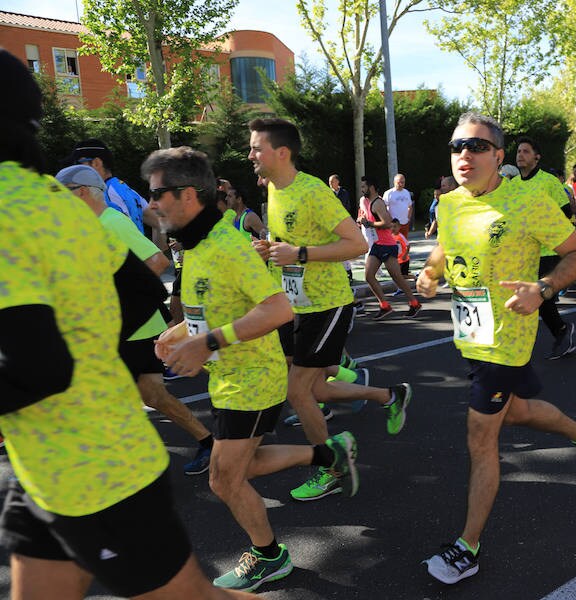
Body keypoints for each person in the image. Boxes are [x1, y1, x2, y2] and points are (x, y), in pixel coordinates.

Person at [0, 48, 254, 600]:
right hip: (45, 462)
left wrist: (178, 333)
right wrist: (106, 340)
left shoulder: (14, 211)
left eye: (166, 194)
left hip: (95, 474)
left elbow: (40, 368)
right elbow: (139, 287)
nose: (159, 202)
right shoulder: (62, 206)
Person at [143, 146, 358, 592]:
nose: (151, 205)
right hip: (228, 379)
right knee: (242, 468)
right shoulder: (198, 245)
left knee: (224, 478)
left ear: (186, 195)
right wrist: (181, 331)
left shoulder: (227, 245)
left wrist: (206, 341)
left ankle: (269, 555)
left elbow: (277, 309)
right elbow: (218, 305)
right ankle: (328, 453)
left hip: (253, 380)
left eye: (158, 194)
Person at [417, 112, 576, 585]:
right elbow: (444, 250)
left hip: (506, 342)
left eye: (477, 147)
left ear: (499, 157)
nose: (465, 155)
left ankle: (468, 547)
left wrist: (542, 290)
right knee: (517, 412)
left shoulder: (528, 200)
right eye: (458, 145)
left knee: (481, 437)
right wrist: (431, 274)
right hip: (471, 335)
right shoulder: (451, 204)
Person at [247, 118, 412, 502]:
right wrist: (270, 249)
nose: (251, 154)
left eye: (257, 147)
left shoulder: (312, 191)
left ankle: (333, 466)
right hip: (294, 302)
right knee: (312, 386)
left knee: (298, 390)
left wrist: (301, 254)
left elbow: (355, 244)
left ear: (282, 152)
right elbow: (287, 241)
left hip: (326, 303)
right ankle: (389, 395)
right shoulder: (273, 188)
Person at [55, 164, 216, 475]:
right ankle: (209, 442)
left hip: (132, 327)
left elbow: (156, 261)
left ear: (84, 192)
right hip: (133, 326)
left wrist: (114, 296)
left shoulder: (111, 222)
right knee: (154, 395)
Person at [514, 137, 576, 359]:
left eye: (526, 151)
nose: (520, 154)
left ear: (536, 156)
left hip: (548, 250)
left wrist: (542, 228)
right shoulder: (512, 185)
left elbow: (565, 212)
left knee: (540, 296)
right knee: (528, 297)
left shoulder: (549, 181)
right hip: (524, 251)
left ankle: (562, 331)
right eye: (518, 151)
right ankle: (560, 331)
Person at [69, 138, 161, 242]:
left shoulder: (106, 194)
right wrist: (154, 252)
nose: (73, 170)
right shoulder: (127, 190)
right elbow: (159, 222)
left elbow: (127, 239)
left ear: (96, 163)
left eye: (77, 163)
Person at [358, 175, 423, 319]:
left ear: (371, 187)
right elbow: (367, 217)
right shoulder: (367, 202)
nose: (362, 189)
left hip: (387, 245)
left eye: (364, 187)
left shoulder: (378, 203)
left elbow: (387, 223)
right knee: (369, 276)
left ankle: (414, 303)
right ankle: (385, 306)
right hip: (377, 245)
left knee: (397, 278)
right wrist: (362, 220)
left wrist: (369, 224)